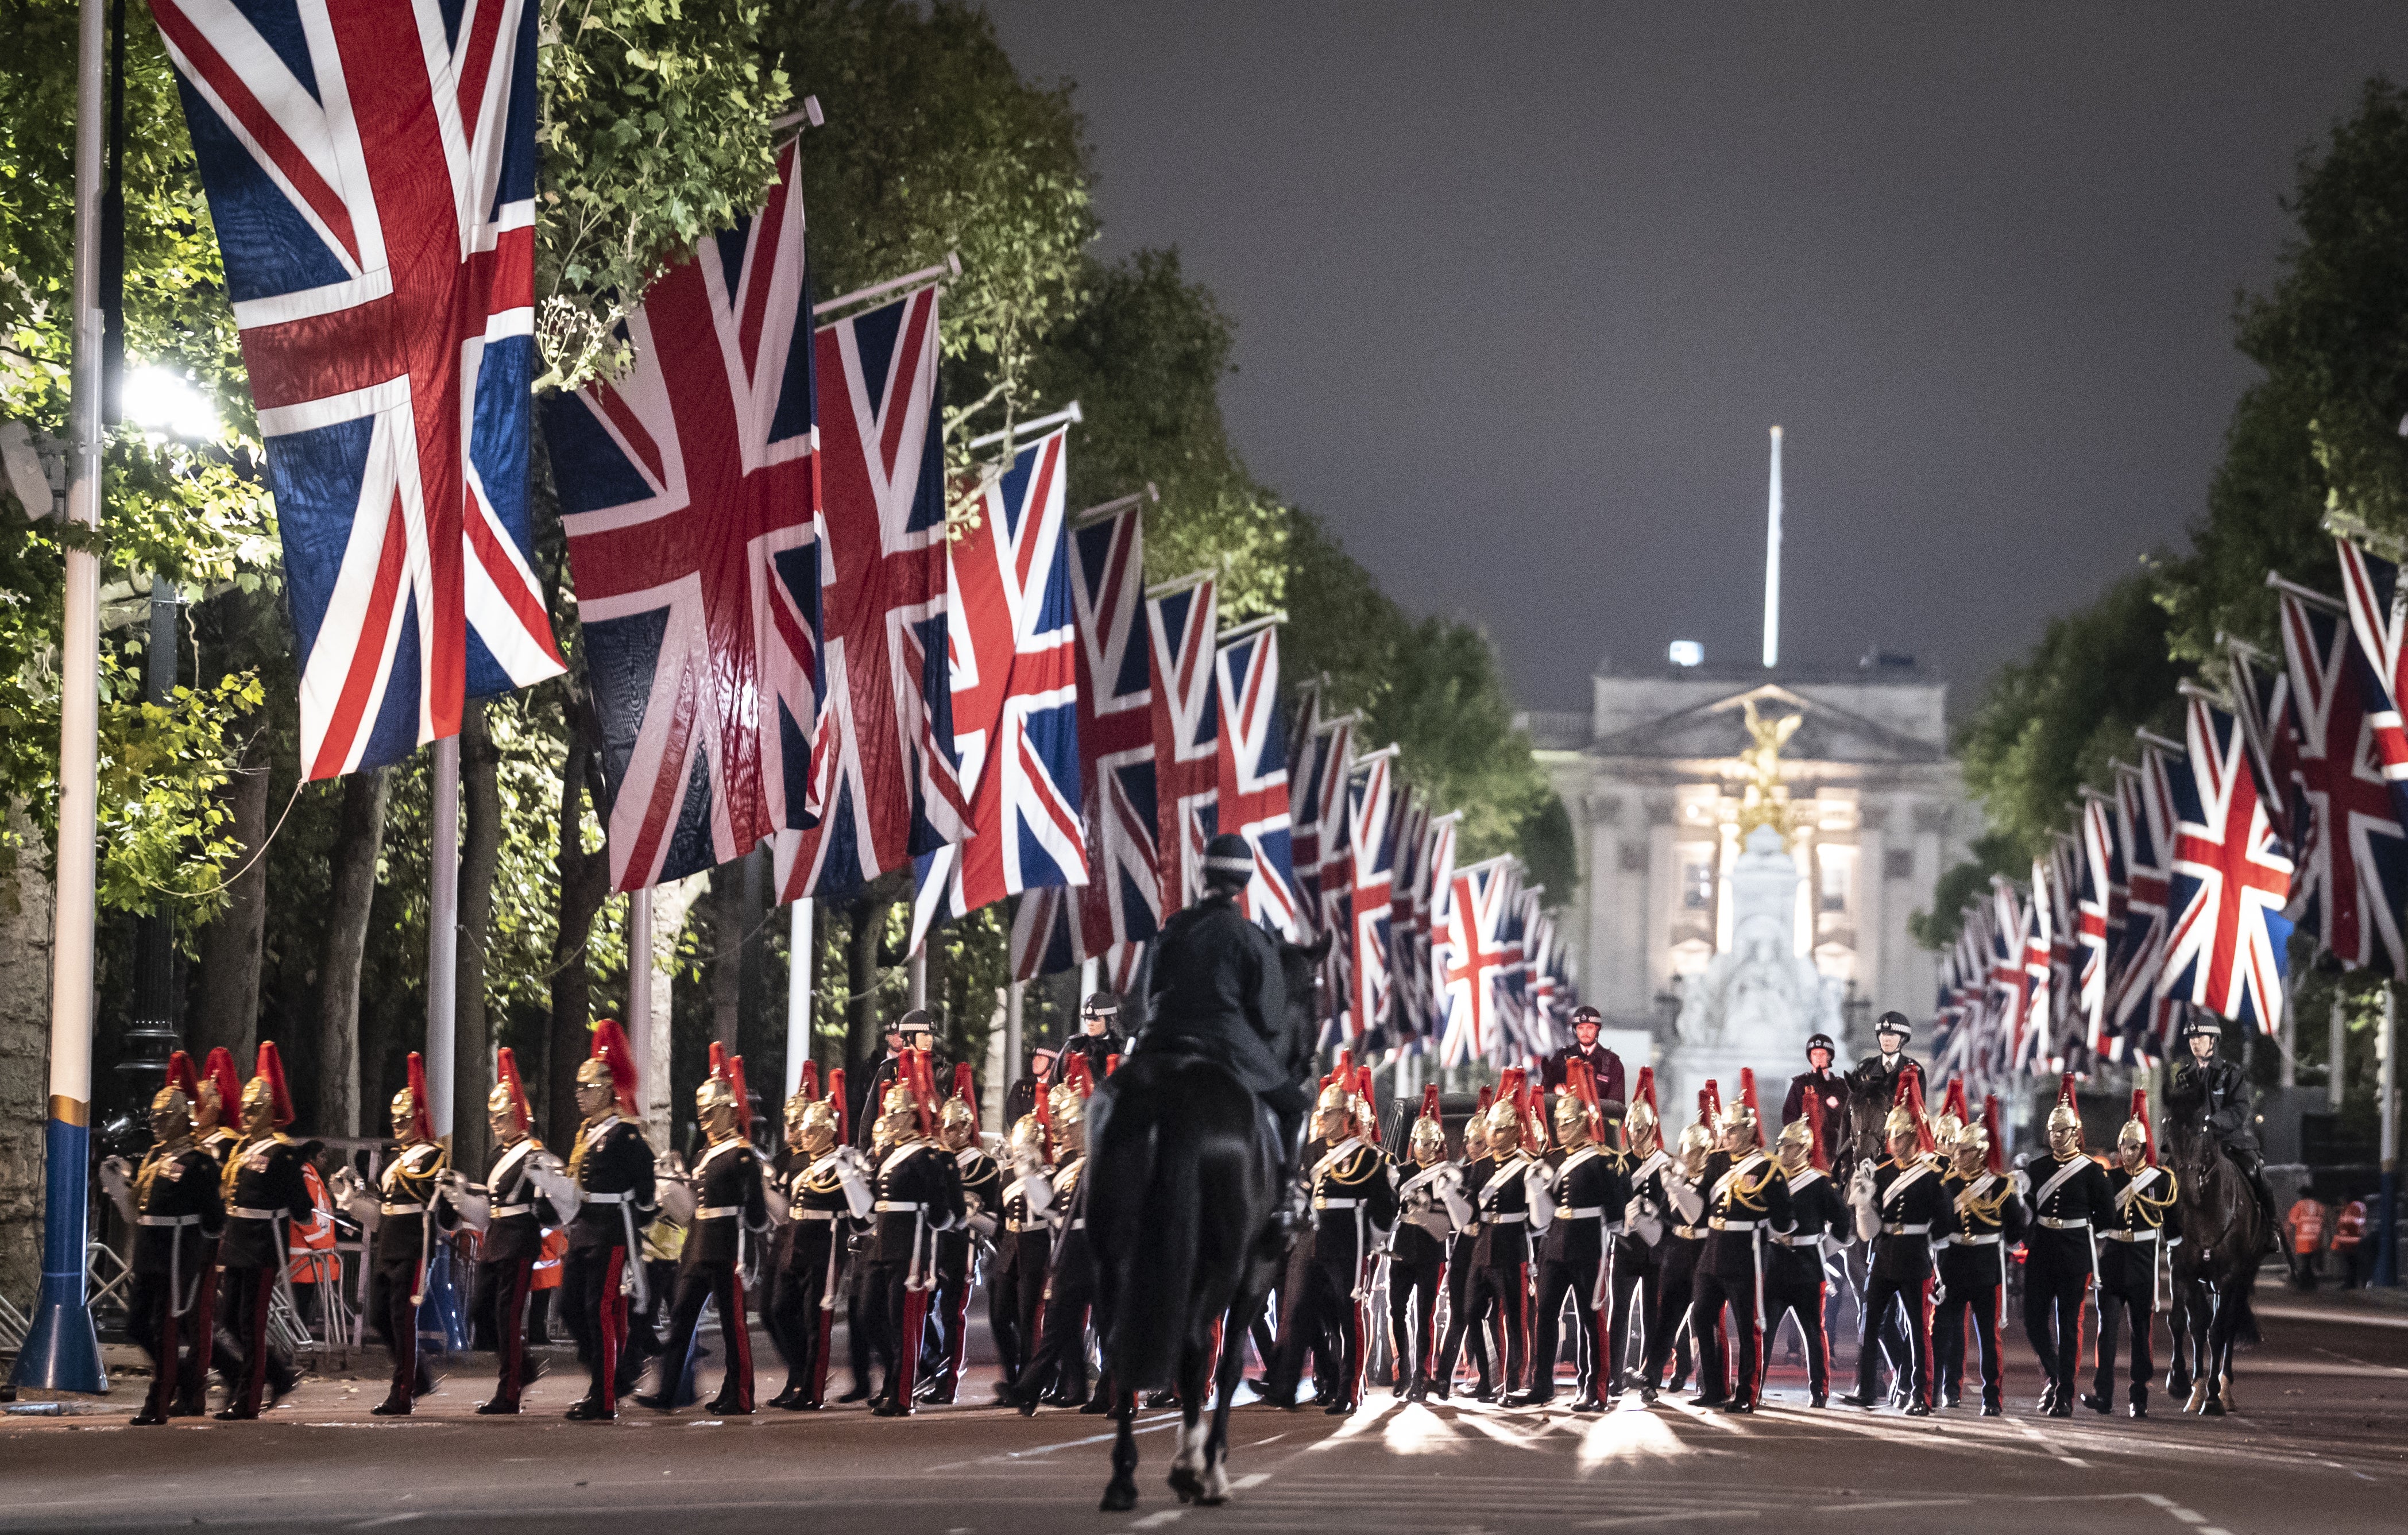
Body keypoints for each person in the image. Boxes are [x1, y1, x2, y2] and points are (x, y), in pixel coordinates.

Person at [640, 1047, 771, 1416]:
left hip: (728, 1246)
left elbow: (757, 1216)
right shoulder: (703, 1155)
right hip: (697, 1244)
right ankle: (669, 1391)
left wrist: (749, 1250)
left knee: (733, 1326)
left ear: (729, 1111)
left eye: (711, 1112)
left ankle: (741, 1394)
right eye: (702, 1114)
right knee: (681, 1316)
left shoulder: (742, 1154)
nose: (705, 1119)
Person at [446, 1047, 569, 1415]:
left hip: (519, 1240)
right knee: (482, 1312)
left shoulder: (535, 1153)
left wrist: (544, 1198)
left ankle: (510, 1391)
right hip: (497, 1239)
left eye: (503, 1116)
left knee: (508, 1317)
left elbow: (557, 1206)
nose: (496, 1122)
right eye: (493, 1116)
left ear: (519, 1115)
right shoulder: (496, 1154)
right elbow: (489, 1206)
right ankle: (524, 1369)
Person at [110, 1053, 225, 1426]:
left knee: (165, 1326)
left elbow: (214, 1218)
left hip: (178, 1251)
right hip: (149, 1248)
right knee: (137, 1325)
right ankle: (181, 1378)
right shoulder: (156, 1155)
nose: (157, 1124)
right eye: (155, 1117)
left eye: (164, 1118)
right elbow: (137, 1203)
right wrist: (119, 1183)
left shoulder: (200, 1161)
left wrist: (197, 1250)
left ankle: (157, 1400)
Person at [1273, 1067, 1396, 1414]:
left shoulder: (1366, 1156)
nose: (1322, 1118)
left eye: (1329, 1113)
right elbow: (1301, 1195)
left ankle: (1348, 1390)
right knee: (1300, 1311)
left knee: (1347, 1316)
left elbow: (1383, 1207)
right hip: (1313, 1240)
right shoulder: (1312, 1153)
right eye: (1321, 1112)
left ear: (1346, 1117)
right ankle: (1300, 1381)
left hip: (1348, 1241)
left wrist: (1373, 1240)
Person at [1839, 1068, 1953, 1415]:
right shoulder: (1884, 1172)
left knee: (1919, 1332)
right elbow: (1869, 1231)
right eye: (1891, 1136)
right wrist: (1862, 1204)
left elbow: (1944, 1227)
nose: (1893, 1142)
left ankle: (1922, 1394)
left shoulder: (1933, 1176)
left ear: (1915, 1137)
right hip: (1884, 1256)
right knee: (1870, 1324)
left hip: (1915, 1258)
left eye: (1900, 1137)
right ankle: (1866, 1388)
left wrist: (1941, 1269)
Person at [211, 1042, 314, 1420]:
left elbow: (302, 1208)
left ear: (270, 1110)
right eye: (246, 1108)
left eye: (255, 1109)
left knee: (252, 1325)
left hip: (260, 1246)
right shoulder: (240, 1148)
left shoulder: (283, 1152)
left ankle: (248, 1397)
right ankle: (278, 1374)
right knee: (230, 1322)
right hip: (236, 1242)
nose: (247, 1114)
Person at [1518, 1062, 1628, 1411]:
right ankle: (1542, 1384)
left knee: (1590, 1318)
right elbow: (1543, 1213)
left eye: (1566, 1123)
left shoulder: (1602, 1161)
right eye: (1558, 1123)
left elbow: (1615, 1214)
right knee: (1546, 1315)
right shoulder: (1549, 1157)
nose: (1560, 1129)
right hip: (1554, 1243)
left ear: (1582, 1122)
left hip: (1586, 1244)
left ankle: (1595, 1387)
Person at [863, 1049, 967, 1417]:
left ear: (910, 1116)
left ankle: (902, 1394)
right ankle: (895, 1383)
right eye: (888, 1115)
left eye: (896, 1115)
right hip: (885, 1245)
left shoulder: (924, 1155)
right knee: (875, 1317)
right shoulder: (891, 1154)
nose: (889, 1121)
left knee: (905, 1326)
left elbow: (943, 1211)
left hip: (911, 1248)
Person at [562, 1019, 657, 1422]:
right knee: (570, 1307)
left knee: (598, 1308)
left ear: (606, 1088)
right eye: (579, 1088)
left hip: (612, 1227)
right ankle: (608, 1377)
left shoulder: (625, 1134)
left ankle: (603, 1396)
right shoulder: (586, 1131)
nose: (580, 1096)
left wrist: (636, 1224)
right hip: (585, 1224)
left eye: (587, 1088)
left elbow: (647, 1188)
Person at [1685, 1071, 1790, 1413]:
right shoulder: (1715, 1161)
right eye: (1724, 1130)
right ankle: (1715, 1387)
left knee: (1749, 1326)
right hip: (1712, 1251)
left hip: (1747, 1253)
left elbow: (1784, 1218)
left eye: (1732, 1130)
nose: (1725, 1135)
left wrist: (1777, 1226)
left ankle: (1747, 1392)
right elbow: (1700, 1204)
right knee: (1701, 1317)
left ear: (1748, 1131)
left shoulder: (1768, 1168)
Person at [767, 1066, 870, 1409]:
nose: (803, 1136)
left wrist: (849, 1173)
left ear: (828, 1133)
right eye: (803, 1130)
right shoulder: (803, 1164)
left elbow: (864, 1216)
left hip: (826, 1247)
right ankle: (801, 1374)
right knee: (781, 1310)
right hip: (796, 1244)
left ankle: (811, 1392)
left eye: (811, 1130)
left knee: (817, 1320)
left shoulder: (841, 1163)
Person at [2020, 1072, 2114, 1417]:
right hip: (2042, 1250)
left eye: (2062, 1131)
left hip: (2075, 1253)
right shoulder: (2038, 1168)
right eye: (2052, 1132)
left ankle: (2065, 1395)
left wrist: (2093, 1245)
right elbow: (2027, 1212)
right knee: (2032, 1321)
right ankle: (2056, 1373)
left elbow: (2105, 1218)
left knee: (2068, 1324)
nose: (2056, 1137)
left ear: (2075, 1134)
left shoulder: (2092, 1172)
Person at [1455, 1076, 1550, 1402]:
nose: (1491, 1136)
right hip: (1482, 1247)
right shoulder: (1479, 1168)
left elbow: (1538, 1219)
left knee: (1514, 1319)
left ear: (1513, 1131)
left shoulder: (1526, 1167)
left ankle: (1512, 1383)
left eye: (1498, 1130)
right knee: (1470, 1312)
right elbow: (1468, 1211)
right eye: (1490, 1130)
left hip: (1513, 1247)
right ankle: (1486, 1376)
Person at [2088, 1090, 2180, 1419]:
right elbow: (2097, 1220)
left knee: (2141, 1333)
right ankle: (2103, 1395)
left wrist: (2177, 1248)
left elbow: (2172, 1221)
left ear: (2143, 1148)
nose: (2127, 1153)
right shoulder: (2108, 1179)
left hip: (2143, 1260)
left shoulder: (2160, 1181)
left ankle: (2139, 1395)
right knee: (2106, 1331)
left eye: (2134, 1147)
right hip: (2113, 1258)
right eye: (2124, 1147)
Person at [1014, 1059, 1099, 1412]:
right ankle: (1031, 1390)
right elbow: (1050, 1209)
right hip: (1069, 1251)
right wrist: (1028, 1173)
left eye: (1069, 1125)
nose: (1062, 1131)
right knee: (1058, 1326)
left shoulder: (1097, 1162)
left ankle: (1113, 1395)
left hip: (1094, 1251)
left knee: (1105, 1331)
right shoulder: (1067, 1166)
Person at [368, 1053, 448, 1416]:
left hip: (415, 1244)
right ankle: (419, 1377)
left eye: (405, 1118)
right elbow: (382, 1208)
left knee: (403, 1319)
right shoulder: (391, 1162)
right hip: (388, 1244)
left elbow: (428, 1201)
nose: (397, 1124)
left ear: (418, 1119)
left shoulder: (432, 1156)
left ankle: (402, 1392)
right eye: (395, 1118)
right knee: (379, 1318)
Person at [1932, 1096, 2023, 1416]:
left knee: (1988, 1336)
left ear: (1981, 1153)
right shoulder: (1947, 1184)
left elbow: (2015, 1227)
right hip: (1953, 1264)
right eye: (1957, 1149)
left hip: (1986, 1267)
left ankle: (1992, 1396)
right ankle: (1945, 1388)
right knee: (1944, 1331)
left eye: (1965, 1150)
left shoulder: (1999, 1185)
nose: (1958, 1155)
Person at [2165, 1014, 2280, 1252]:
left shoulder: (2231, 1073)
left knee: (2255, 1172)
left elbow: (2240, 1108)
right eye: (2191, 1038)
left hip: (2227, 1141)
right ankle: (2172, 1230)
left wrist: (2212, 1123)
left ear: (2213, 1040)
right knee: (2168, 1176)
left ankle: (2272, 1229)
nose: (2195, 1042)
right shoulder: (2184, 1076)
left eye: (2200, 1037)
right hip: (2193, 1144)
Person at [1391, 1086, 1471, 1403]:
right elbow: (1391, 1210)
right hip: (1401, 1248)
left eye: (1429, 1143)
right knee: (1397, 1311)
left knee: (1424, 1314)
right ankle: (1405, 1367)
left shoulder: (1446, 1175)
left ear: (1438, 1146)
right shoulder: (1403, 1172)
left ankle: (1421, 1375)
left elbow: (1449, 1221)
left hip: (1431, 1249)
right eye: (1418, 1143)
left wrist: (1426, 1209)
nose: (1422, 1148)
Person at [931, 1064, 1002, 1404]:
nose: (949, 1132)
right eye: (945, 1125)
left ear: (967, 1126)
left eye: (956, 1126)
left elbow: (992, 1215)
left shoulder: (983, 1165)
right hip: (931, 1243)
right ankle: (931, 1366)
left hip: (964, 1244)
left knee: (952, 1314)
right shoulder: (935, 1159)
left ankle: (949, 1382)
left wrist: (968, 1214)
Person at [1637, 1094, 1715, 1403]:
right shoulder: (1676, 1176)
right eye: (1685, 1148)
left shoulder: (1713, 1179)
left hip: (1704, 1250)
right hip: (1678, 1251)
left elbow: (1696, 1214)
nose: (1687, 1155)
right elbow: (1666, 1218)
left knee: (1703, 1322)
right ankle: (1651, 1375)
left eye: (1694, 1150)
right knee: (1665, 1318)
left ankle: (1711, 1384)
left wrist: (1675, 1187)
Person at [1766, 1105, 1843, 1409]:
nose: (1783, 1150)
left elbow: (1843, 1223)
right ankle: (1754, 1387)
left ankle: (1819, 1391)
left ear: (1804, 1149)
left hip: (1809, 1265)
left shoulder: (1820, 1183)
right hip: (1776, 1261)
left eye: (1789, 1146)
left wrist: (1823, 1250)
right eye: (1782, 1145)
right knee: (1766, 1330)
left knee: (1813, 1331)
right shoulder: (1772, 1178)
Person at [1431, 1088, 1501, 1401]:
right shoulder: (1460, 1171)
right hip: (1464, 1246)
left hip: (1488, 1245)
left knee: (1478, 1316)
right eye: (1474, 1143)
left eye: (1482, 1143)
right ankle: (1443, 1379)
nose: (1478, 1148)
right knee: (1460, 1314)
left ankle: (1491, 1379)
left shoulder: (1494, 1171)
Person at [1608, 1072, 1671, 1402]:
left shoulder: (1665, 1164)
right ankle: (1613, 1376)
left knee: (1653, 1317)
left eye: (1642, 1130)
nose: (1635, 1135)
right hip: (1627, 1247)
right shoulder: (1620, 1164)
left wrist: (1653, 1214)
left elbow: (1670, 1208)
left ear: (1652, 1129)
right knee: (1618, 1315)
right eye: (1631, 1130)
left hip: (1656, 1251)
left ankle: (1650, 1378)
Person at [989, 1105, 1055, 1400]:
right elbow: (999, 1217)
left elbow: (1045, 1209)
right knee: (1000, 1314)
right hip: (1010, 1248)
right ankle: (1013, 1375)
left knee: (1030, 1318)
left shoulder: (1049, 1175)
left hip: (1036, 1248)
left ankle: (1028, 1384)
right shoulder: (1007, 1175)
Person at [855, 1011, 942, 1149]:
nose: (930, 1039)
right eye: (925, 1034)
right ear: (909, 1037)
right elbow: (870, 1116)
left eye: (931, 1034)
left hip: (932, 1149)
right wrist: (864, 1152)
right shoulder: (888, 1070)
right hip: (895, 1148)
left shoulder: (940, 1069)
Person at [1539, 1006, 1627, 1117]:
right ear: (1575, 1030)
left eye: (1590, 1028)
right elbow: (1543, 1097)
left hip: (1600, 1125)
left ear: (1598, 1029)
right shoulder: (1561, 1058)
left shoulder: (1612, 1063)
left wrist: (1584, 1102)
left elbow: (1619, 1107)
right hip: (1563, 1122)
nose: (1585, 1032)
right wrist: (1556, 1094)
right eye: (1581, 1028)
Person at [1783, 1033, 1850, 1171]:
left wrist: (1836, 1109)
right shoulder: (1800, 1084)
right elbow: (1789, 1117)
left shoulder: (1841, 1086)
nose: (1819, 1058)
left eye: (1822, 1054)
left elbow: (1849, 1119)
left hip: (1833, 1148)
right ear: (1810, 1057)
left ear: (1829, 1057)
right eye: (1815, 1054)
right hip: (1804, 1149)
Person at [1061, 992, 1124, 1081]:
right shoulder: (1075, 1046)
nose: (1090, 1023)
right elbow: (1057, 1078)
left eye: (1096, 1019)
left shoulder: (1121, 1048)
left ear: (1110, 1019)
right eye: (1087, 1019)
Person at [1003, 1045, 1059, 1128]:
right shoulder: (1020, 1087)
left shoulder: (1059, 1088)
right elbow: (1012, 1114)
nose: (1035, 1062)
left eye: (1040, 1059)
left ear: (1052, 1063)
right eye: (1034, 1059)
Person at [2286, 1192, 2329, 1291]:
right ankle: (2310, 1284)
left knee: (2305, 1263)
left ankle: (2305, 1284)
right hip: (2316, 1240)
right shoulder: (2319, 1206)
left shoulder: (2300, 1205)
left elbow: (2292, 1219)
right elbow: (2323, 1220)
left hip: (2303, 1240)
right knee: (2309, 1262)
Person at [2335, 1197, 2370, 1288]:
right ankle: (2352, 1283)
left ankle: (2351, 1284)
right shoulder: (2357, 1206)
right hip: (2352, 1240)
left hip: (2351, 1241)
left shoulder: (2352, 1208)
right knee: (2352, 1264)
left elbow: (2348, 1223)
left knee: (2352, 1263)